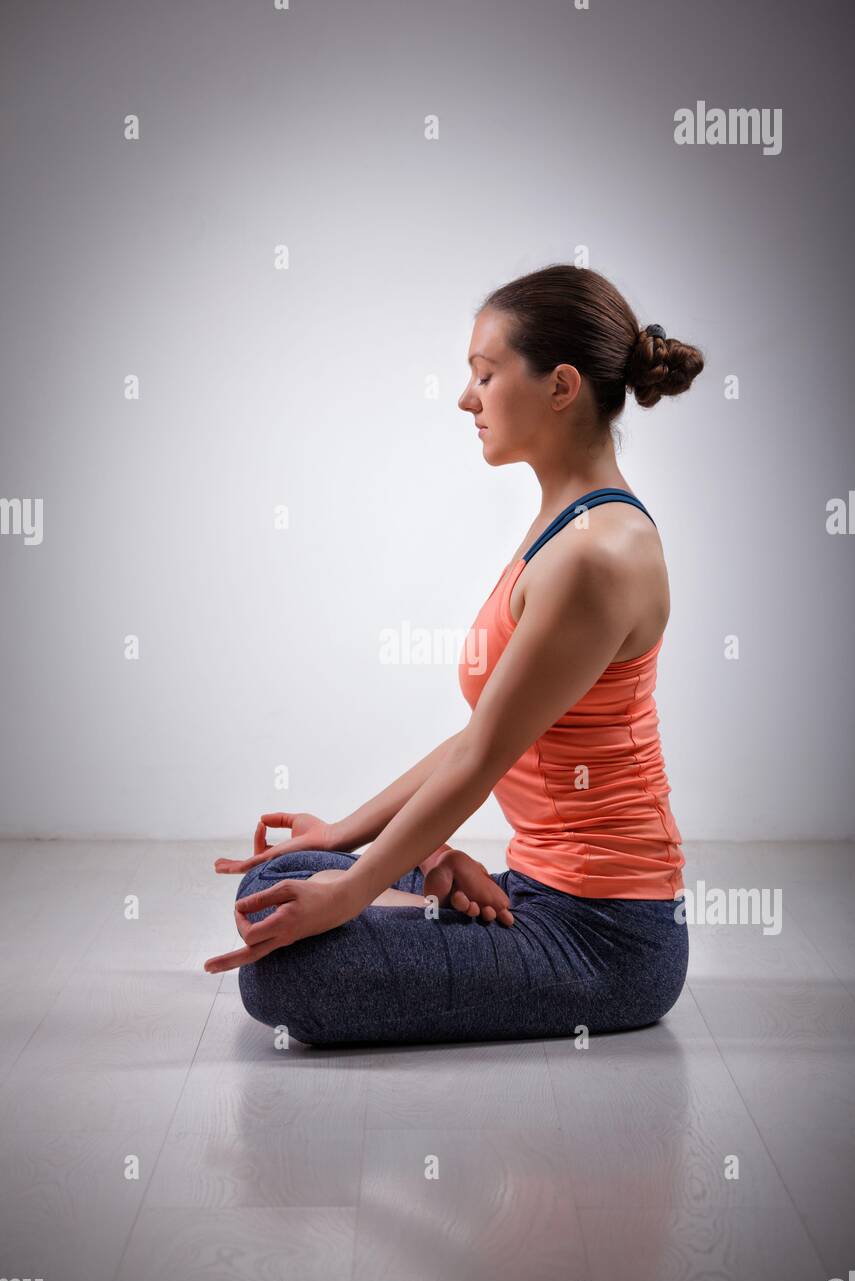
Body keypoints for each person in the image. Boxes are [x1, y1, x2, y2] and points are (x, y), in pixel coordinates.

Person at [204, 263, 705, 1047]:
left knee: (288, 972)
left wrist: (356, 889)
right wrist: (343, 838)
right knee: (280, 886)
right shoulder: (562, 531)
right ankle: (431, 895)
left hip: (609, 939)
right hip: (537, 892)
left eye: (484, 374)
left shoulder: (597, 554)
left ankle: (415, 903)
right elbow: (490, 732)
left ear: (560, 386)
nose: (466, 399)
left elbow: (481, 753)